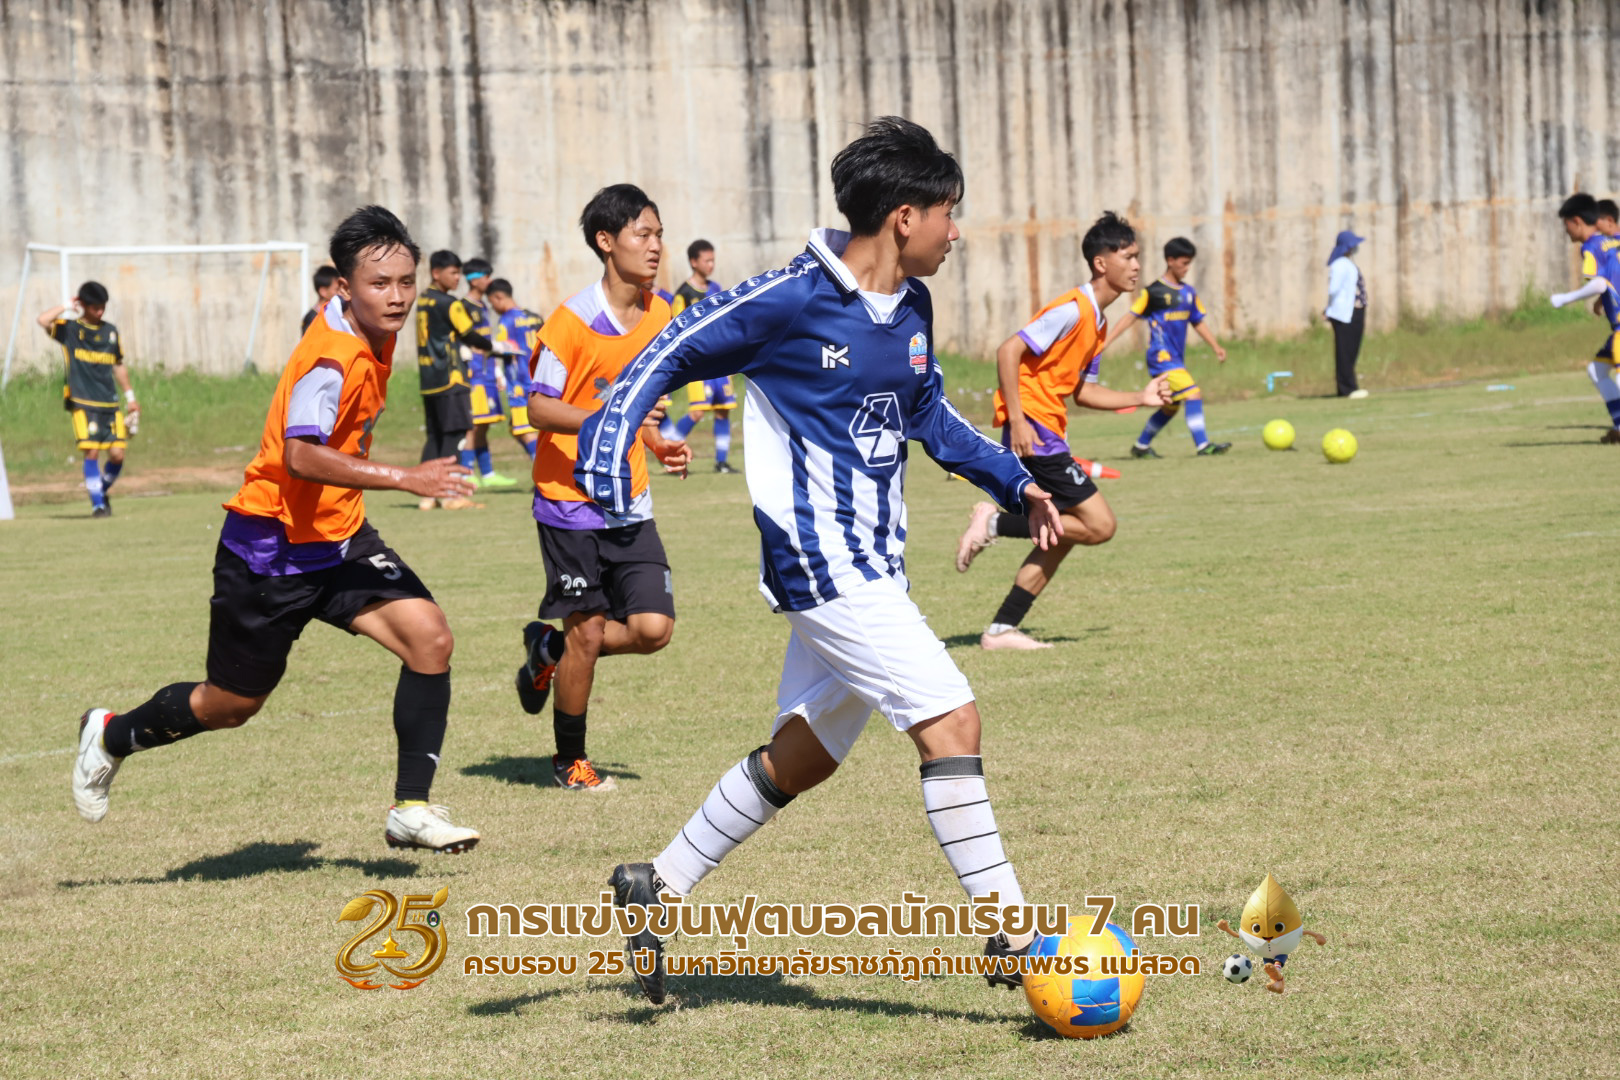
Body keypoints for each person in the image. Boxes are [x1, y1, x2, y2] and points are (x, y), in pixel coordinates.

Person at [576, 118, 1066, 1006]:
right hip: (820, 560)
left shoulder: (910, 307)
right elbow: (667, 352)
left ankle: (657, 884)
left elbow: (928, 414)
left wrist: (1015, 480)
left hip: (875, 561)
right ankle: (1018, 935)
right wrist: (609, 451)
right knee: (952, 722)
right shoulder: (789, 298)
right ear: (906, 216)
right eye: (949, 213)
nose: (957, 232)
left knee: (802, 758)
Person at [71, 206, 483, 852]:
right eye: (380, 283)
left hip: (340, 540)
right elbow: (300, 456)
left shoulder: (374, 329)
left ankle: (411, 808)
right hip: (270, 549)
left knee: (430, 639)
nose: (397, 296)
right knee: (231, 705)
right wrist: (407, 477)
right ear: (343, 286)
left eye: (406, 281)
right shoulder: (330, 357)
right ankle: (111, 734)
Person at [514, 184, 691, 792]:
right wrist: (605, 417)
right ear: (606, 241)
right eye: (644, 234)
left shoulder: (662, 315)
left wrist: (656, 442)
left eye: (659, 234)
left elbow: (641, 404)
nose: (656, 246)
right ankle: (570, 761)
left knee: (652, 629)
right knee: (587, 631)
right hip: (569, 504)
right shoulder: (570, 323)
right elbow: (538, 407)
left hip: (629, 502)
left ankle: (549, 650)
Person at [954, 212, 1171, 651]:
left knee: (1062, 536)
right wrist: (1017, 419)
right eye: (1127, 257)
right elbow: (1008, 350)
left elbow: (1083, 392)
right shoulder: (1072, 310)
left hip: (1048, 428)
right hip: (1034, 430)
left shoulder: (1099, 322)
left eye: (1137, 257)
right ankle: (992, 522)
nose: (1136, 266)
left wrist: (1141, 397)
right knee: (1100, 525)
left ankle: (1001, 631)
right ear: (1100, 263)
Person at [1102, 236, 1231, 457]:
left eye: (1189, 263)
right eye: (1184, 263)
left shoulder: (1189, 293)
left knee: (1171, 406)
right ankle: (1203, 445)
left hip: (1177, 358)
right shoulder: (1153, 292)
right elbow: (1130, 317)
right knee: (1193, 393)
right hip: (1161, 357)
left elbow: (1197, 321)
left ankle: (1141, 446)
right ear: (1170, 261)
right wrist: (1106, 342)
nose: (1187, 268)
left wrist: (1216, 346)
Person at [38, 282, 138, 518]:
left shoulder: (110, 332)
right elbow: (43, 320)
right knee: (91, 451)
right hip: (83, 402)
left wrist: (130, 397)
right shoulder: (70, 330)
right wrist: (66, 306)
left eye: (103, 307)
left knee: (118, 454)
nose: (100, 312)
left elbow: (118, 365)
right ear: (83, 305)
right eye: (95, 308)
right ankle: (98, 506)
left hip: (109, 403)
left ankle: (100, 491)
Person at [1551, 193, 1620, 443]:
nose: (1566, 230)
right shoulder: (1611, 241)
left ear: (1577, 222)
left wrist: (1565, 298)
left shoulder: (1590, 246)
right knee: (1597, 369)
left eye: (1566, 224)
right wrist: (1604, 300)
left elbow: (1600, 282)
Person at [416, 249, 479, 510]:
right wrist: (495, 347)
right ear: (436, 272)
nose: (457, 278)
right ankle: (450, 494)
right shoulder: (450, 303)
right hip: (451, 378)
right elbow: (469, 334)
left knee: (435, 437)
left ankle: (426, 495)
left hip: (429, 379)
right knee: (455, 436)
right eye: (453, 273)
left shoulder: (423, 300)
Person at [668, 240, 737, 473]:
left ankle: (721, 462)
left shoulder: (716, 288)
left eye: (713, 260)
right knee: (697, 412)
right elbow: (677, 329)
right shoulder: (683, 294)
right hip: (699, 364)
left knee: (723, 410)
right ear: (694, 262)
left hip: (720, 361)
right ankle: (669, 453)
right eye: (707, 260)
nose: (711, 265)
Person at [452, 258, 519, 489]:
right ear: (474, 280)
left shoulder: (483, 306)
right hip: (474, 374)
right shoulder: (462, 306)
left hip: (488, 372)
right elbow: (462, 338)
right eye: (486, 276)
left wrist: (497, 370)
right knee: (474, 424)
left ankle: (488, 473)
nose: (489, 281)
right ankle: (466, 473)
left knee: (485, 424)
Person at [486, 278, 543, 461]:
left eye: (492, 303)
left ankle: (542, 466)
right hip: (539, 379)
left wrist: (486, 349)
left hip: (520, 382)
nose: (493, 307)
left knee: (524, 431)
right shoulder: (535, 316)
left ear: (498, 297)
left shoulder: (507, 320)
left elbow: (503, 347)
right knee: (516, 427)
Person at [1325, 230, 1369, 399]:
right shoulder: (1339, 264)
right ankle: (1347, 389)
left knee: (1351, 351)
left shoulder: (1347, 263)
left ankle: (1349, 386)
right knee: (1344, 351)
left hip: (1353, 311)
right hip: (1344, 314)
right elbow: (1333, 290)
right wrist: (1329, 309)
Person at [301, 265, 340, 333]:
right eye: (337, 289)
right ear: (323, 292)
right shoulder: (312, 318)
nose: (341, 292)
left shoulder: (335, 313)